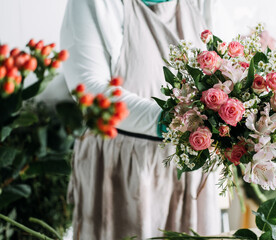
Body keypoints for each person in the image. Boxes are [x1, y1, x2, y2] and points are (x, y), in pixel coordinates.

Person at [60, 0, 221, 239]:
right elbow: (90, 90)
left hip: (191, 168)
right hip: (124, 169)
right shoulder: (95, 4)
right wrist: (175, 121)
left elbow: (227, 68)